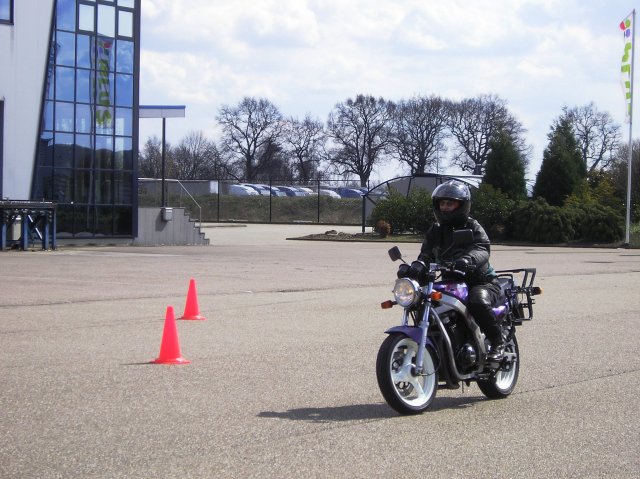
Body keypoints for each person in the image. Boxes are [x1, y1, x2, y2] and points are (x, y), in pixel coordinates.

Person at [417, 180, 505, 360]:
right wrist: (417, 266)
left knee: (477, 301)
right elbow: (426, 254)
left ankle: (498, 342)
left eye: (450, 203)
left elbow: (482, 248)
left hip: (481, 281)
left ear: (462, 205)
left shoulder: (472, 226)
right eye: (442, 203)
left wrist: (467, 260)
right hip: (451, 281)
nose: (444, 207)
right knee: (422, 300)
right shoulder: (436, 230)